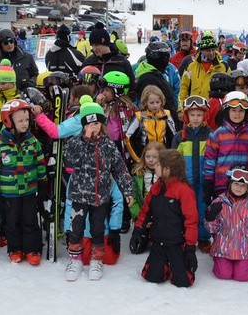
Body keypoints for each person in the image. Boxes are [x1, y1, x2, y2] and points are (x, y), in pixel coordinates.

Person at [62, 95, 133, 281]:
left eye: (97, 123)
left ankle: (96, 259)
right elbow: (69, 160)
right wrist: (84, 141)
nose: (94, 127)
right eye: (89, 124)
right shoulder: (75, 143)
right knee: (76, 229)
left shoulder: (108, 145)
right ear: (83, 125)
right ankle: (75, 259)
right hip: (79, 196)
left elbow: (120, 168)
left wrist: (127, 190)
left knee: (98, 229)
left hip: (100, 197)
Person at [0, 99, 46, 265]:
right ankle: (15, 248)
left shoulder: (32, 141)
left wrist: (42, 182)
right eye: (20, 120)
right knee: (12, 222)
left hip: (29, 190)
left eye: (27, 120)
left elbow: (40, 163)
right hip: (8, 192)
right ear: (8, 121)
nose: (25, 124)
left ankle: (32, 249)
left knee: (30, 220)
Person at [130, 149, 199, 288]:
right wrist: (137, 230)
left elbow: (191, 221)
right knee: (152, 277)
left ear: (167, 169)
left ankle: (176, 265)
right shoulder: (157, 186)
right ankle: (164, 265)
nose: (154, 166)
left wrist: (190, 249)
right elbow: (145, 210)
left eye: (157, 164)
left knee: (183, 282)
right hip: (158, 241)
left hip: (177, 244)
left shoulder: (184, 190)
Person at [204, 166, 248, 281]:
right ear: (230, 184)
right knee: (223, 274)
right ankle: (219, 262)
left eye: (243, 185)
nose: (239, 188)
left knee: (242, 276)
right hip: (223, 249)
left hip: (244, 250)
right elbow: (212, 230)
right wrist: (210, 218)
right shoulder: (219, 202)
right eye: (236, 184)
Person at [174, 95, 213, 253]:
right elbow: (174, 160)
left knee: (203, 209)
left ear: (205, 115)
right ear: (186, 116)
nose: (195, 118)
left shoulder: (210, 135)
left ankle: (203, 237)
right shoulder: (180, 137)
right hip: (186, 182)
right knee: (187, 210)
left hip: (204, 181)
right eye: (192, 115)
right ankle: (186, 237)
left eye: (199, 115)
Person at [203, 91, 248, 204]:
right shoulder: (218, 134)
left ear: (246, 113)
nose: (237, 114)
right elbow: (210, 160)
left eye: (241, 111)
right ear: (227, 111)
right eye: (234, 110)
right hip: (222, 184)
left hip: (244, 184)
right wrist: (208, 182)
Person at [178, 31, 228, 113]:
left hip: (215, 111)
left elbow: (230, 90)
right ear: (201, 50)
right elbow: (183, 89)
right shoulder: (191, 66)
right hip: (194, 111)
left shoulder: (223, 66)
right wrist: (181, 110)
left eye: (213, 50)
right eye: (208, 50)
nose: (211, 53)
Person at [135, 41, 180, 128]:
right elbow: (146, 105)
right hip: (157, 125)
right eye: (165, 58)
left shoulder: (156, 74)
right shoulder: (148, 79)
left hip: (165, 121)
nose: (167, 61)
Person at [82, 23, 136, 93]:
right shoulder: (88, 62)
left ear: (105, 44)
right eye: (92, 45)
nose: (94, 48)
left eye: (97, 45)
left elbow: (132, 87)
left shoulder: (122, 62)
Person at [128, 86, 176, 156]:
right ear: (145, 102)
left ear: (161, 102)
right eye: (152, 103)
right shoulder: (139, 116)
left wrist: (170, 155)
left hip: (162, 155)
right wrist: (138, 159)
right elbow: (128, 138)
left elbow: (173, 136)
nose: (155, 105)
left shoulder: (166, 114)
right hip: (145, 156)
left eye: (157, 102)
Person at [129, 141, 165, 222]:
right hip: (143, 214)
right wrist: (138, 216)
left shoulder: (165, 175)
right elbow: (133, 197)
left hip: (161, 216)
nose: (151, 160)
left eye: (155, 157)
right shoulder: (138, 174)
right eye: (147, 157)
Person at [0, 60, 22, 143]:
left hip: (14, 146)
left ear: (12, 82)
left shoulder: (20, 101)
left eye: (3, 83)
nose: (0, 87)